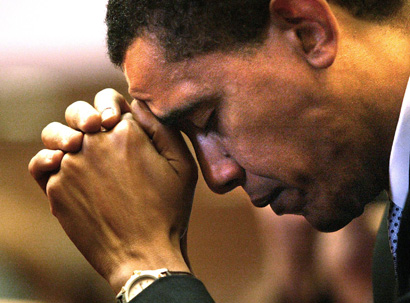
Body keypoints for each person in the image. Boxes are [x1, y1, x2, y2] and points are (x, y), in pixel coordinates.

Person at [28, 0, 409, 302]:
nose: (216, 176)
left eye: (209, 119)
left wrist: (145, 268)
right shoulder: (394, 230)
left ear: (308, 33)